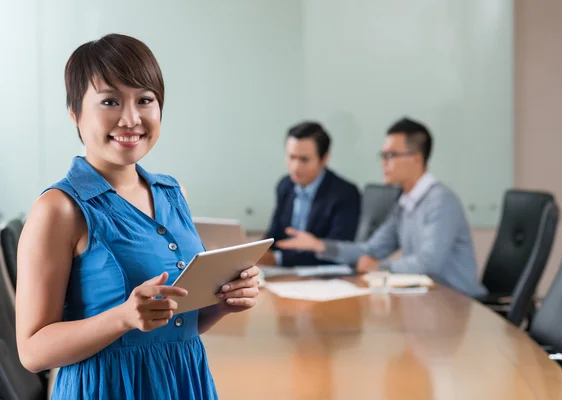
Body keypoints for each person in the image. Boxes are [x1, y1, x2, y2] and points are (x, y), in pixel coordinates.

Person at [15, 34, 259, 399]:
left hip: (182, 380)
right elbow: (32, 351)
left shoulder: (174, 194)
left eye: (145, 100)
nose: (131, 119)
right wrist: (123, 318)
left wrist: (222, 304)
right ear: (75, 113)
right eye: (109, 101)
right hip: (105, 388)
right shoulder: (58, 209)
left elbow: (176, 324)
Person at [277, 117, 487, 297]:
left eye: (391, 156)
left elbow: (429, 263)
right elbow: (370, 250)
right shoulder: (405, 203)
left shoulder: (440, 201)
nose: (383, 163)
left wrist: (380, 267)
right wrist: (320, 246)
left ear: (416, 159)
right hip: (428, 301)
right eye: (383, 156)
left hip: (459, 303)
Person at [259, 121, 361, 267]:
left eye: (304, 159)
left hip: (323, 277)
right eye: (291, 157)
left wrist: (278, 259)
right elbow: (274, 236)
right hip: (283, 273)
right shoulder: (285, 185)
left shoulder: (345, 193)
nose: (295, 167)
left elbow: (335, 252)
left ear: (324, 159)